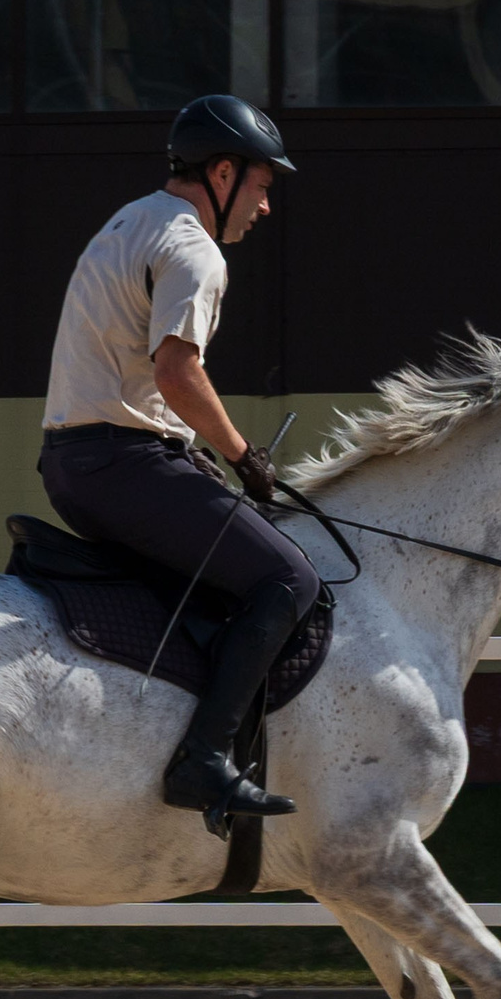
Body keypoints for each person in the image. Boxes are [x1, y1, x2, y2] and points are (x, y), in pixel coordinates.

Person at [38, 94, 323, 832]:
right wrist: (242, 456)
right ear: (223, 172)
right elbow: (176, 373)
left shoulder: (126, 221)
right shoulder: (195, 248)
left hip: (78, 461)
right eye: (262, 186)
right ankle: (202, 759)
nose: (264, 207)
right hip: (124, 462)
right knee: (288, 577)